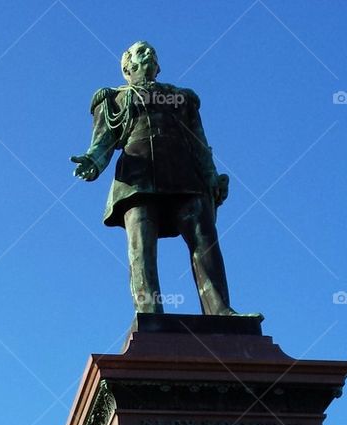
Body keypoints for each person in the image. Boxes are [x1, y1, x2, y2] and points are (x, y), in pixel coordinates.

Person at [71, 41, 238, 316]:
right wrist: (92, 162)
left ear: (158, 66)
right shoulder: (112, 98)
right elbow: (102, 141)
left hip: (185, 175)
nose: (149, 53)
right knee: (141, 250)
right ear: (127, 66)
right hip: (137, 179)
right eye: (141, 51)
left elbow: (199, 143)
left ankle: (220, 311)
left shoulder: (181, 98)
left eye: (152, 52)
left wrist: (211, 175)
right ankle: (150, 314)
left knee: (203, 237)